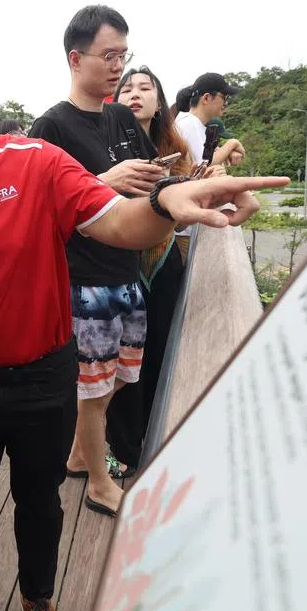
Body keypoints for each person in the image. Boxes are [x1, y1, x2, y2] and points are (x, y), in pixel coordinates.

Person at [0, 27, 286, 611]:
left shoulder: (33, 162)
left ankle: (38, 601)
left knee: (40, 503)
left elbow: (117, 220)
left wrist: (168, 203)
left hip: (44, 376)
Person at [29, 5, 162, 517]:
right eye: (108, 55)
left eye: (122, 56)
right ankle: (100, 483)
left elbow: (151, 176)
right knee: (93, 387)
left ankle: (78, 456)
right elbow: (37, 210)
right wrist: (103, 183)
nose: (117, 66)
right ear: (74, 57)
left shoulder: (124, 118)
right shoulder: (51, 127)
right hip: (84, 281)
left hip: (127, 273)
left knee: (118, 378)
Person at [115, 66, 198, 458]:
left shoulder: (176, 151)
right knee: (122, 361)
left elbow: (182, 217)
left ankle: (155, 437)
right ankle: (123, 447)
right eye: (126, 88)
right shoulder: (107, 152)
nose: (135, 93)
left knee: (161, 349)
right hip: (118, 263)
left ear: (159, 101)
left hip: (164, 261)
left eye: (145, 88)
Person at [174, 72, 244, 164]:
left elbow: (209, 156)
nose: (226, 104)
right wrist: (232, 143)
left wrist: (228, 152)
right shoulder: (189, 124)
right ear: (206, 98)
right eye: (224, 98)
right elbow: (204, 165)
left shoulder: (192, 123)